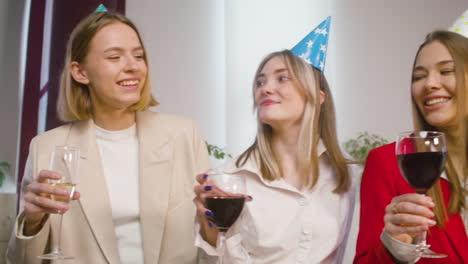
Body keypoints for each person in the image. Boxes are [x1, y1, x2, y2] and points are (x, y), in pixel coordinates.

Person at [7, 12, 210, 264]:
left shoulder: (184, 135)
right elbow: (21, 261)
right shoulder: (45, 148)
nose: (133, 66)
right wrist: (32, 221)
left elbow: (209, 240)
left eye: (138, 56)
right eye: (114, 57)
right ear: (80, 72)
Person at [193, 49, 357, 263]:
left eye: (282, 78)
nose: (266, 89)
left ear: (317, 96)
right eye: (260, 82)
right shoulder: (226, 180)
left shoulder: (350, 176)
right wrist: (212, 235)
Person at [354, 30, 468, 263]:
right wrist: (396, 243)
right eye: (419, 77)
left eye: (446, 71)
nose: (429, 84)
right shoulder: (386, 162)